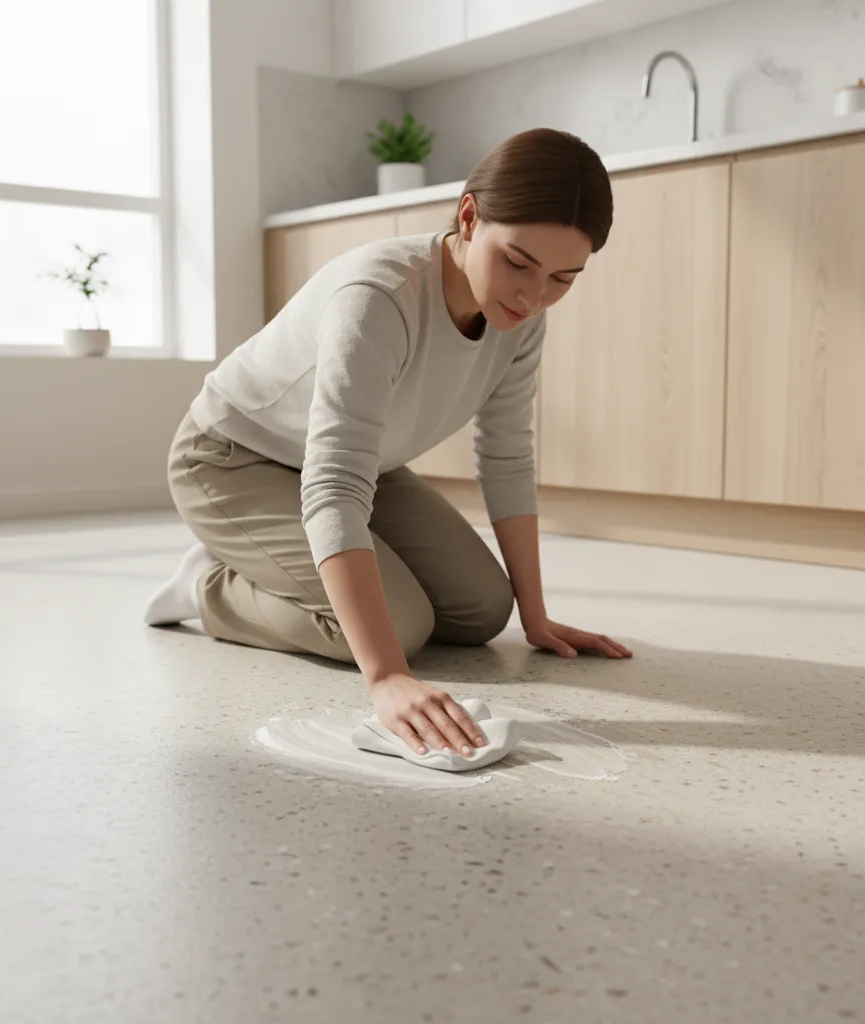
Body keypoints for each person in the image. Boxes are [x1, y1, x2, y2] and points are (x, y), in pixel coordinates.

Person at [145, 127, 632, 762]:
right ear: (468, 215)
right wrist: (386, 677)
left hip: (362, 464)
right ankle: (211, 585)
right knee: (399, 629)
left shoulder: (522, 317)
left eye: (563, 278)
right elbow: (333, 485)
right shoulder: (376, 297)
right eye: (517, 262)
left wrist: (534, 618)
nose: (533, 296)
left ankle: (283, 569)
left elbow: (507, 453)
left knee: (483, 610)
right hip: (232, 459)